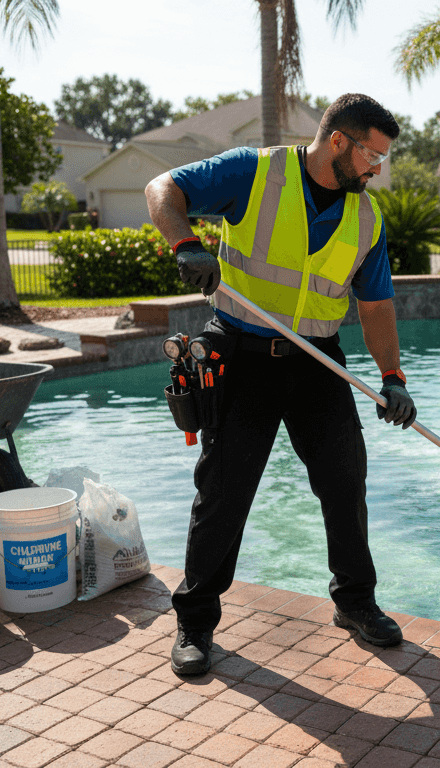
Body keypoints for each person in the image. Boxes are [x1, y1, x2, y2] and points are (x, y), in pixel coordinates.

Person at [144, 93, 417, 677]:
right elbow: (162, 188)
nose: (377, 169)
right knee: (224, 490)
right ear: (339, 142)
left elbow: (376, 305)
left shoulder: (366, 216)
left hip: (319, 360)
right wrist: (185, 245)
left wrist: (392, 377)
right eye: (373, 155)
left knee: (346, 481)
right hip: (241, 352)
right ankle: (195, 621)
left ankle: (355, 603)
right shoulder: (256, 172)